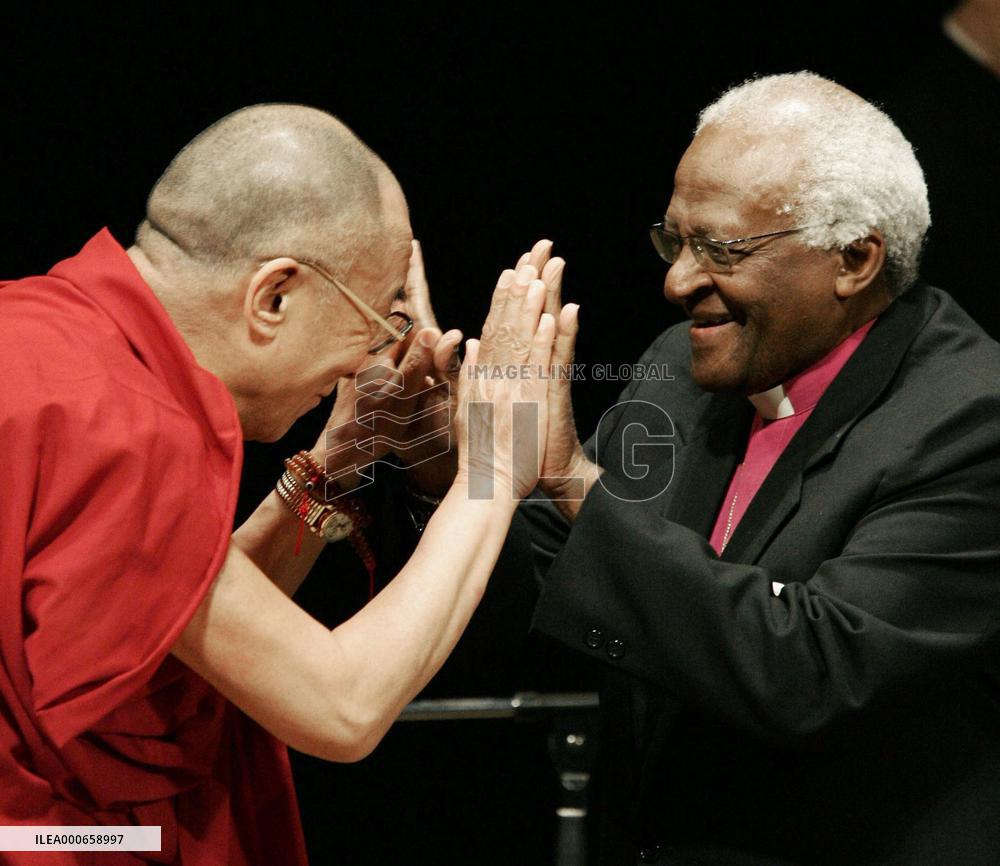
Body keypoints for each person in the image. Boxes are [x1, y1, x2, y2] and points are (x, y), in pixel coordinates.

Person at [0, 103, 565, 865]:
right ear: (274, 297)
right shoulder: (117, 423)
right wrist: (494, 469)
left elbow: (182, 623)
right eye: (375, 320)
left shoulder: (42, 340)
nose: (369, 355)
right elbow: (341, 705)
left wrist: (336, 461)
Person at [515, 72, 1000, 863]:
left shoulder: (975, 420)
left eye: (721, 248)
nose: (678, 282)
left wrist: (574, 479)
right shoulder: (681, 366)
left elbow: (810, 669)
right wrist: (449, 464)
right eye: (675, 240)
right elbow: (565, 565)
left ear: (853, 258)